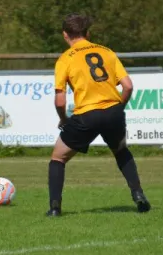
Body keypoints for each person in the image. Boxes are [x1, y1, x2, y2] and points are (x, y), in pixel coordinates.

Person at [47, 13, 150, 217]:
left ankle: (55, 208)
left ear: (65, 35)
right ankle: (138, 194)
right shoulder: (107, 52)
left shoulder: (65, 59)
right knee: (121, 151)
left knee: (58, 158)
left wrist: (64, 119)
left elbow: (60, 101)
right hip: (113, 111)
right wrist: (118, 108)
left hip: (87, 115)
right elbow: (128, 86)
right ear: (88, 33)